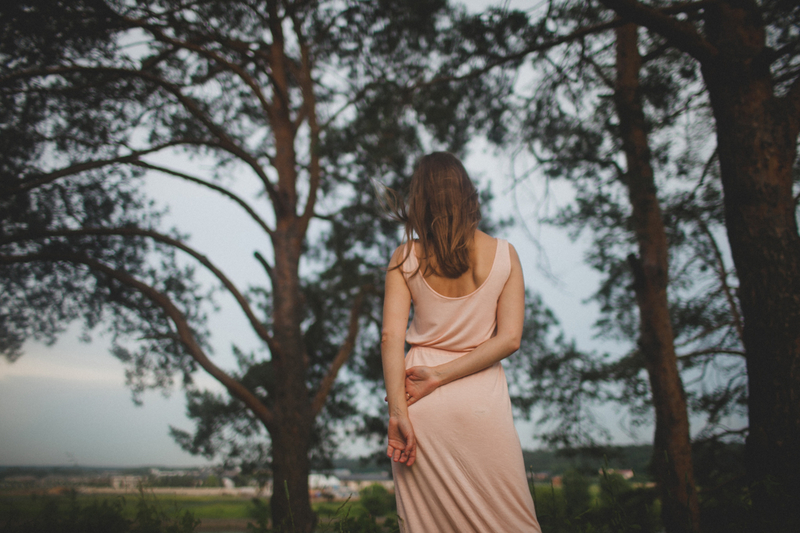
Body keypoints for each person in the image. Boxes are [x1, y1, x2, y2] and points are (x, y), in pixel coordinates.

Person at [381, 152, 541, 532]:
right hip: (482, 405)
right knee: (511, 521)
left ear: (420, 199)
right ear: (467, 194)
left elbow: (390, 337)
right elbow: (510, 338)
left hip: (417, 403)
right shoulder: (505, 254)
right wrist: (442, 375)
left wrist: (398, 414)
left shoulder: (405, 257)